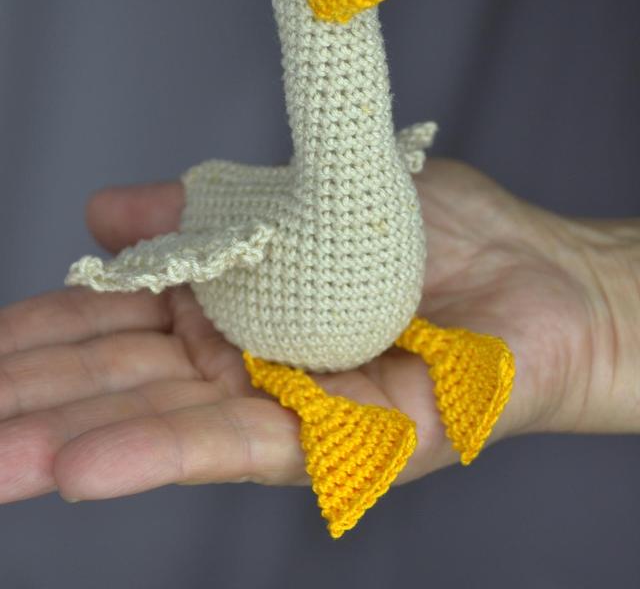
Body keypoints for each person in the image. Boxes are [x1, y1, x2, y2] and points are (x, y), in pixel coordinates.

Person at [0, 158, 637, 504]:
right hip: (252, 307)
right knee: (262, 355)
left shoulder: (390, 192)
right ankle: (315, 403)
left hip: (400, 322)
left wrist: (603, 303)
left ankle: (435, 349)